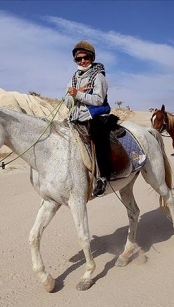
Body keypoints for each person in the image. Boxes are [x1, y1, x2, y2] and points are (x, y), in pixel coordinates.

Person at [65, 40, 113, 197]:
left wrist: (77, 94)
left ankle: (103, 177)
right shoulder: (73, 78)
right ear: (75, 60)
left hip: (95, 115)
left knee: (99, 138)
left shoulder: (98, 76)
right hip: (76, 117)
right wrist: (76, 92)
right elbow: (67, 102)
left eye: (86, 58)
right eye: (79, 59)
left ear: (92, 58)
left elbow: (99, 99)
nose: (82, 61)